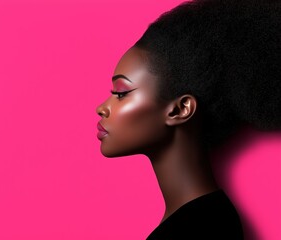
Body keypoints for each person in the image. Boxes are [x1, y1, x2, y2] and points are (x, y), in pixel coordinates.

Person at [95, 0, 281, 239]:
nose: (102, 108)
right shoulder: (205, 219)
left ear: (180, 109)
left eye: (121, 93)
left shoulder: (203, 228)